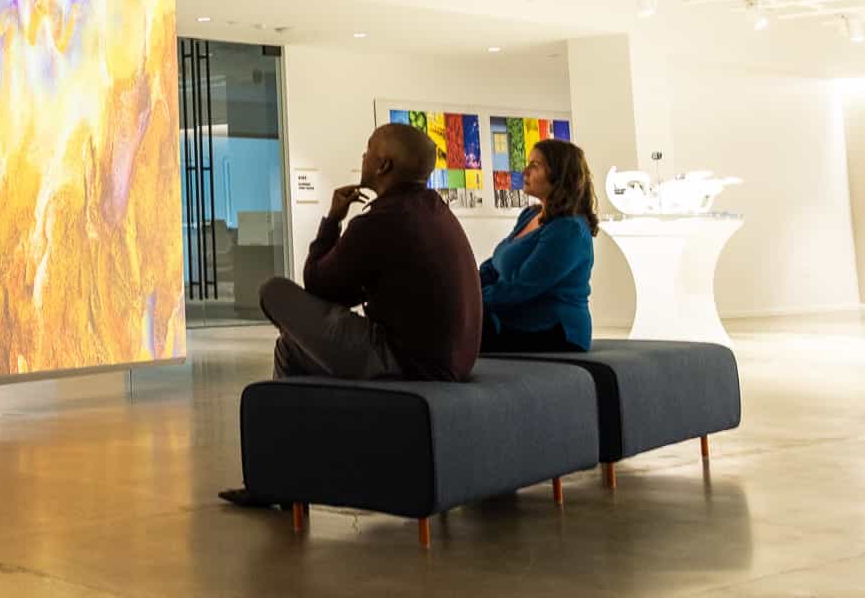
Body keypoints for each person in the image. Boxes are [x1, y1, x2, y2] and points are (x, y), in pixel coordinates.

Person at [220, 123, 483, 507]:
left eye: (367, 150)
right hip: (450, 359)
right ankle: (279, 477)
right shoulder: (434, 210)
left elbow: (319, 286)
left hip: (407, 361)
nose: (362, 157)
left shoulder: (380, 221)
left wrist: (332, 220)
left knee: (274, 291)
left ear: (383, 164)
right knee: (290, 348)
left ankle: (279, 478)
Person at [478, 139, 597, 353]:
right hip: (513, 319)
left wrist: (471, 301)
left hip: (555, 330)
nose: (524, 171)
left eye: (535, 166)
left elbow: (523, 287)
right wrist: (466, 286)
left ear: (559, 175)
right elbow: (495, 265)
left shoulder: (568, 229)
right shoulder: (530, 215)